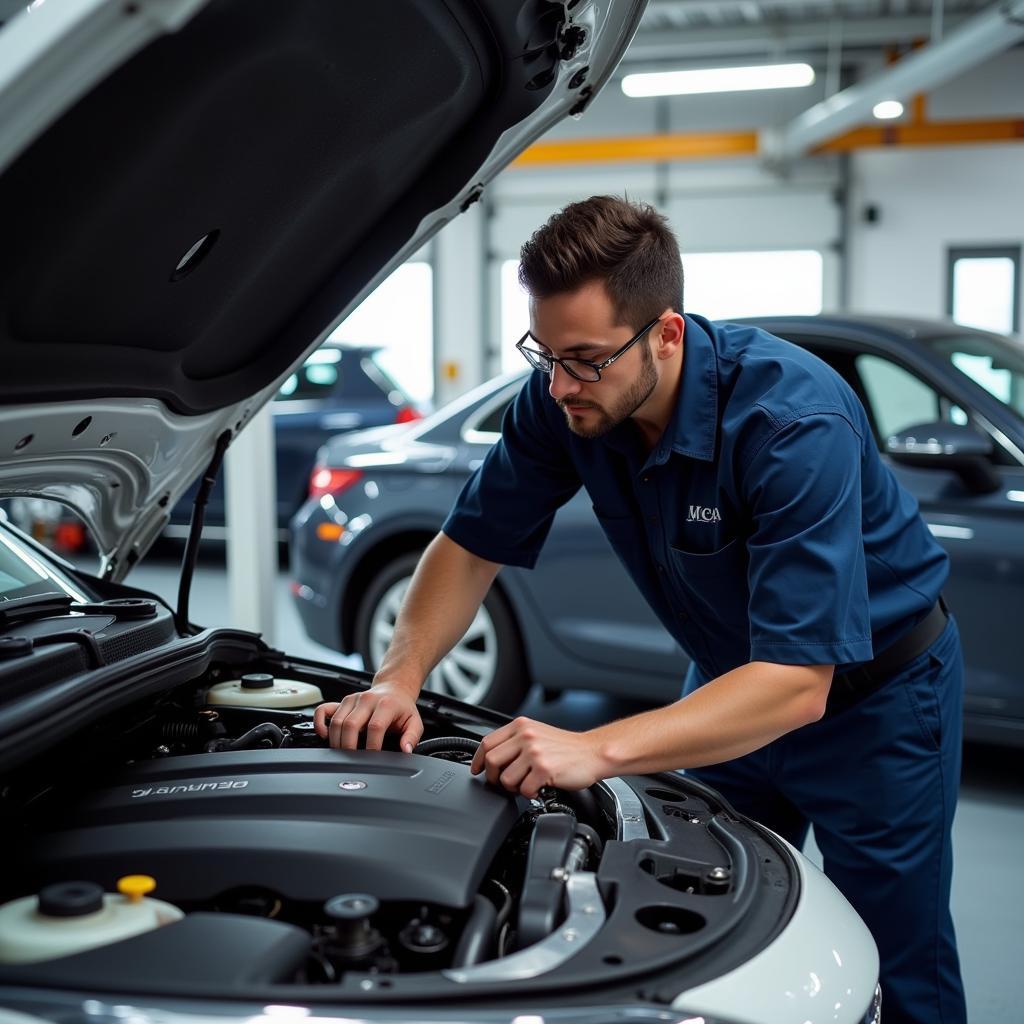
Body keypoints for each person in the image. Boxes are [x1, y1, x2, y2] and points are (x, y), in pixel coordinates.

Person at [313, 195, 966, 1024]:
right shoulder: (564, 402)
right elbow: (470, 544)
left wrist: (595, 748)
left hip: (876, 706)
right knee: (705, 927)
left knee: (896, 959)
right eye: (542, 354)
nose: (558, 383)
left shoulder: (792, 421)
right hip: (727, 687)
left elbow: (801, 684)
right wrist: (399, 678)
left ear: (666, 332)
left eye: (583, 358)